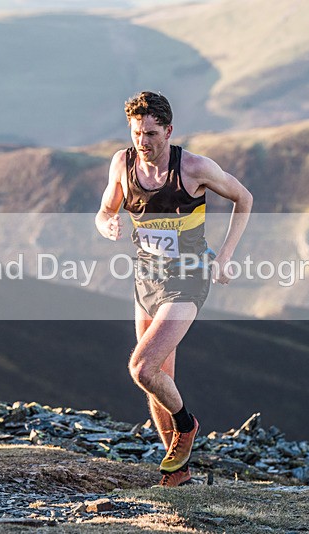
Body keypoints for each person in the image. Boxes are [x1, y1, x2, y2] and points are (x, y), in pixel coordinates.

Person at [95, 91, 252, 486]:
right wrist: (107, 223)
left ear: (168, 131)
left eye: (151, 133)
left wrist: (227, 255)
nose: (143, 142)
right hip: (145, 278)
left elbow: (243, 197)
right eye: (136, 133)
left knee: (141, 367)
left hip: (188, 278)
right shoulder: (122, 163)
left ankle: (187, 425)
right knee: (158, 381)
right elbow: (106, 209)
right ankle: (178, 474)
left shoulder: (194, 168)